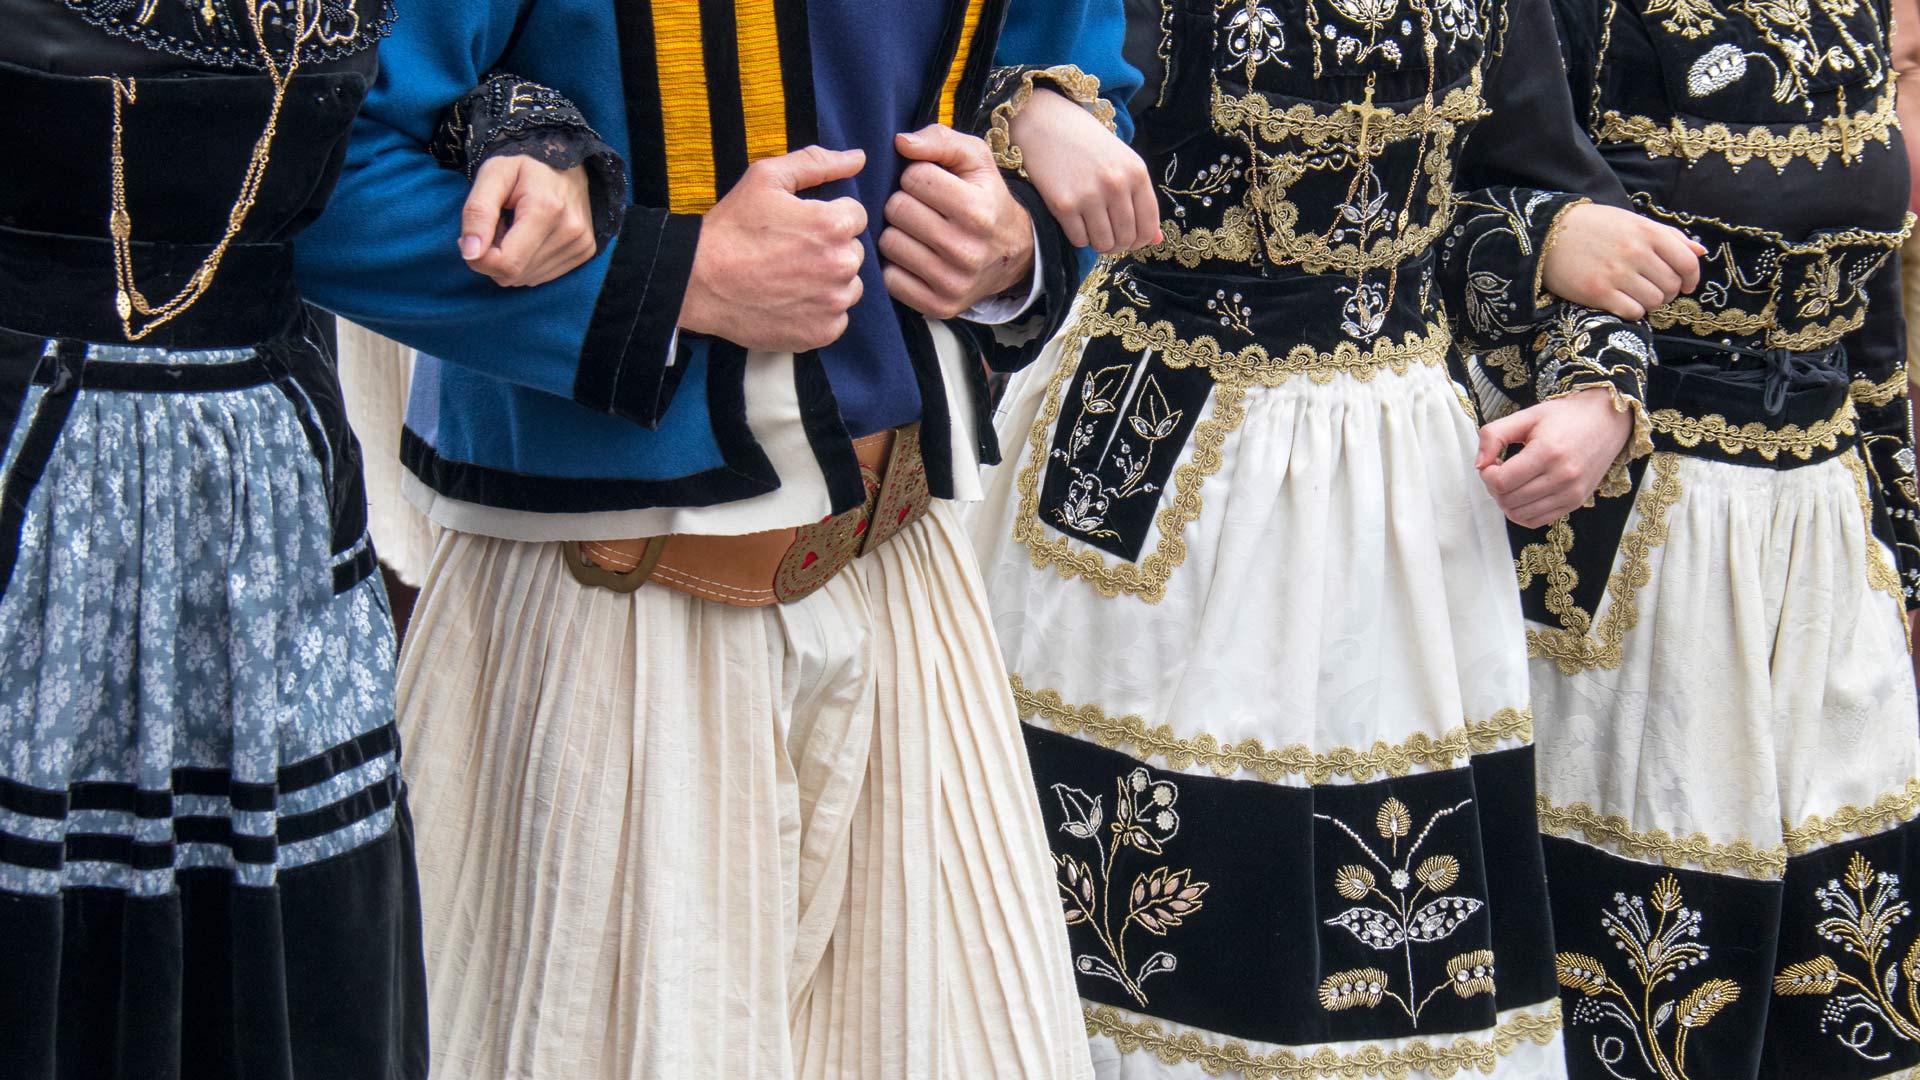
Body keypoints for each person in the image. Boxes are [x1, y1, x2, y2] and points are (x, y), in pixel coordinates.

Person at [292, 2, 1149, 1076]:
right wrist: (672, 277)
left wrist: (1015, 238)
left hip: (912, 580)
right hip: (611, 608)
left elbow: (1065, 71)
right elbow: (298, 168)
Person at [961, 0, 1702, 1073]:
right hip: (1152, 470)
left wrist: (1598, 388)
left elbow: (1529, 180)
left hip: (1399, 500)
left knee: (1376, 963)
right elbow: (938, 72)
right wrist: (1027, 107)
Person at [0, 3, 607, 1077]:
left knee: (289, 987)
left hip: (266, 527)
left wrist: (527, 133)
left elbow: (411, 87)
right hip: (36, 517)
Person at [1502, 0, 1920, 1070]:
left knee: (1847, 968)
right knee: (1659, 974)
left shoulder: (1852, 9)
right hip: (1640, 539)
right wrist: (1585, 375)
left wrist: (1902, 551)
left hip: (1826, 544)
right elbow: (1473, 200)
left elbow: (1867, 315)